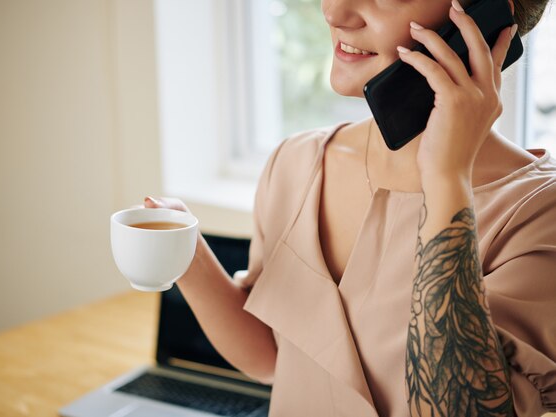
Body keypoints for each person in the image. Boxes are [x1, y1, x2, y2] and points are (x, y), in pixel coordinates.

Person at [143, 0, 556, 415]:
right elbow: (271, 358)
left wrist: (446, 179)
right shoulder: (298, 162)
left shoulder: (538, 216)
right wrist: (190, 255)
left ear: (486, 16)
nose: (334, 12)